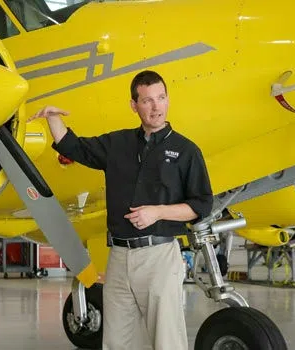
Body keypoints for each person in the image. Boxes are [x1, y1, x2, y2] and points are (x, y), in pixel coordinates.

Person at [28, 70, 214, 350]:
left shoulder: (186, 151)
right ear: (134, 105)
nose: (156, 107)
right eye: (147, 101)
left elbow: (201, 205)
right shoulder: (118, 144)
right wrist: (53, 118)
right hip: (118, 258)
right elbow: (76, 148)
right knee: (116, 340)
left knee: (167, 340)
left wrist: (158, 212)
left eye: (161, 98)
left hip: (159, 257)